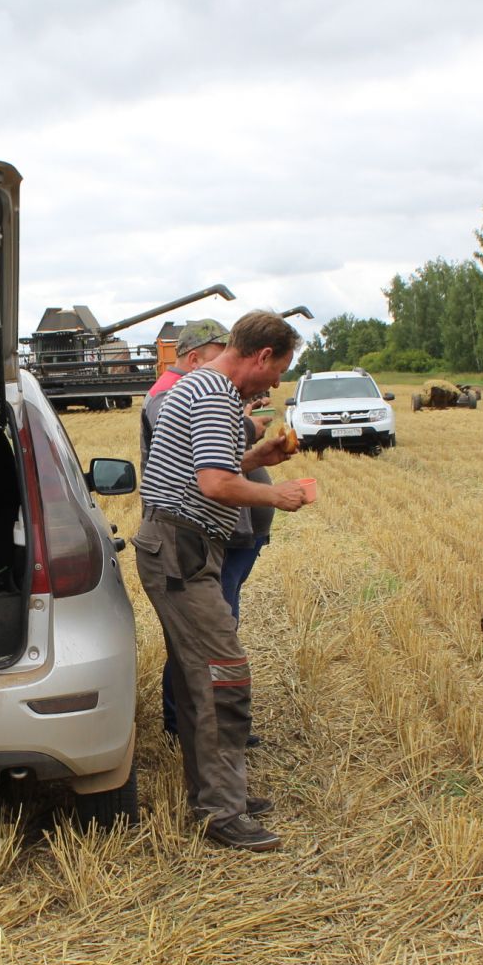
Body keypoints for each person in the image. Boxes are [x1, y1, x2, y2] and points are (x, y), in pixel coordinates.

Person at [135, 311, 308, 851]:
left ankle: (216, 791)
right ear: (261, 356)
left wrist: (262, 456)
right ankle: (223, 812)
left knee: (197, 680)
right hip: (181, 550)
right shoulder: (213, 394)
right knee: (224, 676)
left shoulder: (208, 390)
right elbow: (213, 483)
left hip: (179, 547)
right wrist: (276, 493)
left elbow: (212, 465)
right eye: (278, 369)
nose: (277, 383)